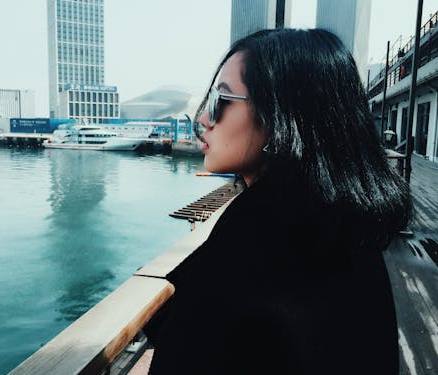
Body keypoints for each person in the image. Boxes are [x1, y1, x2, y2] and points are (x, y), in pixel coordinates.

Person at [143, 28, 411, 375]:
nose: (204, 120)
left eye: (219, 101)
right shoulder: (352, 231)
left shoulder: (247, 252)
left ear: (281, 117)